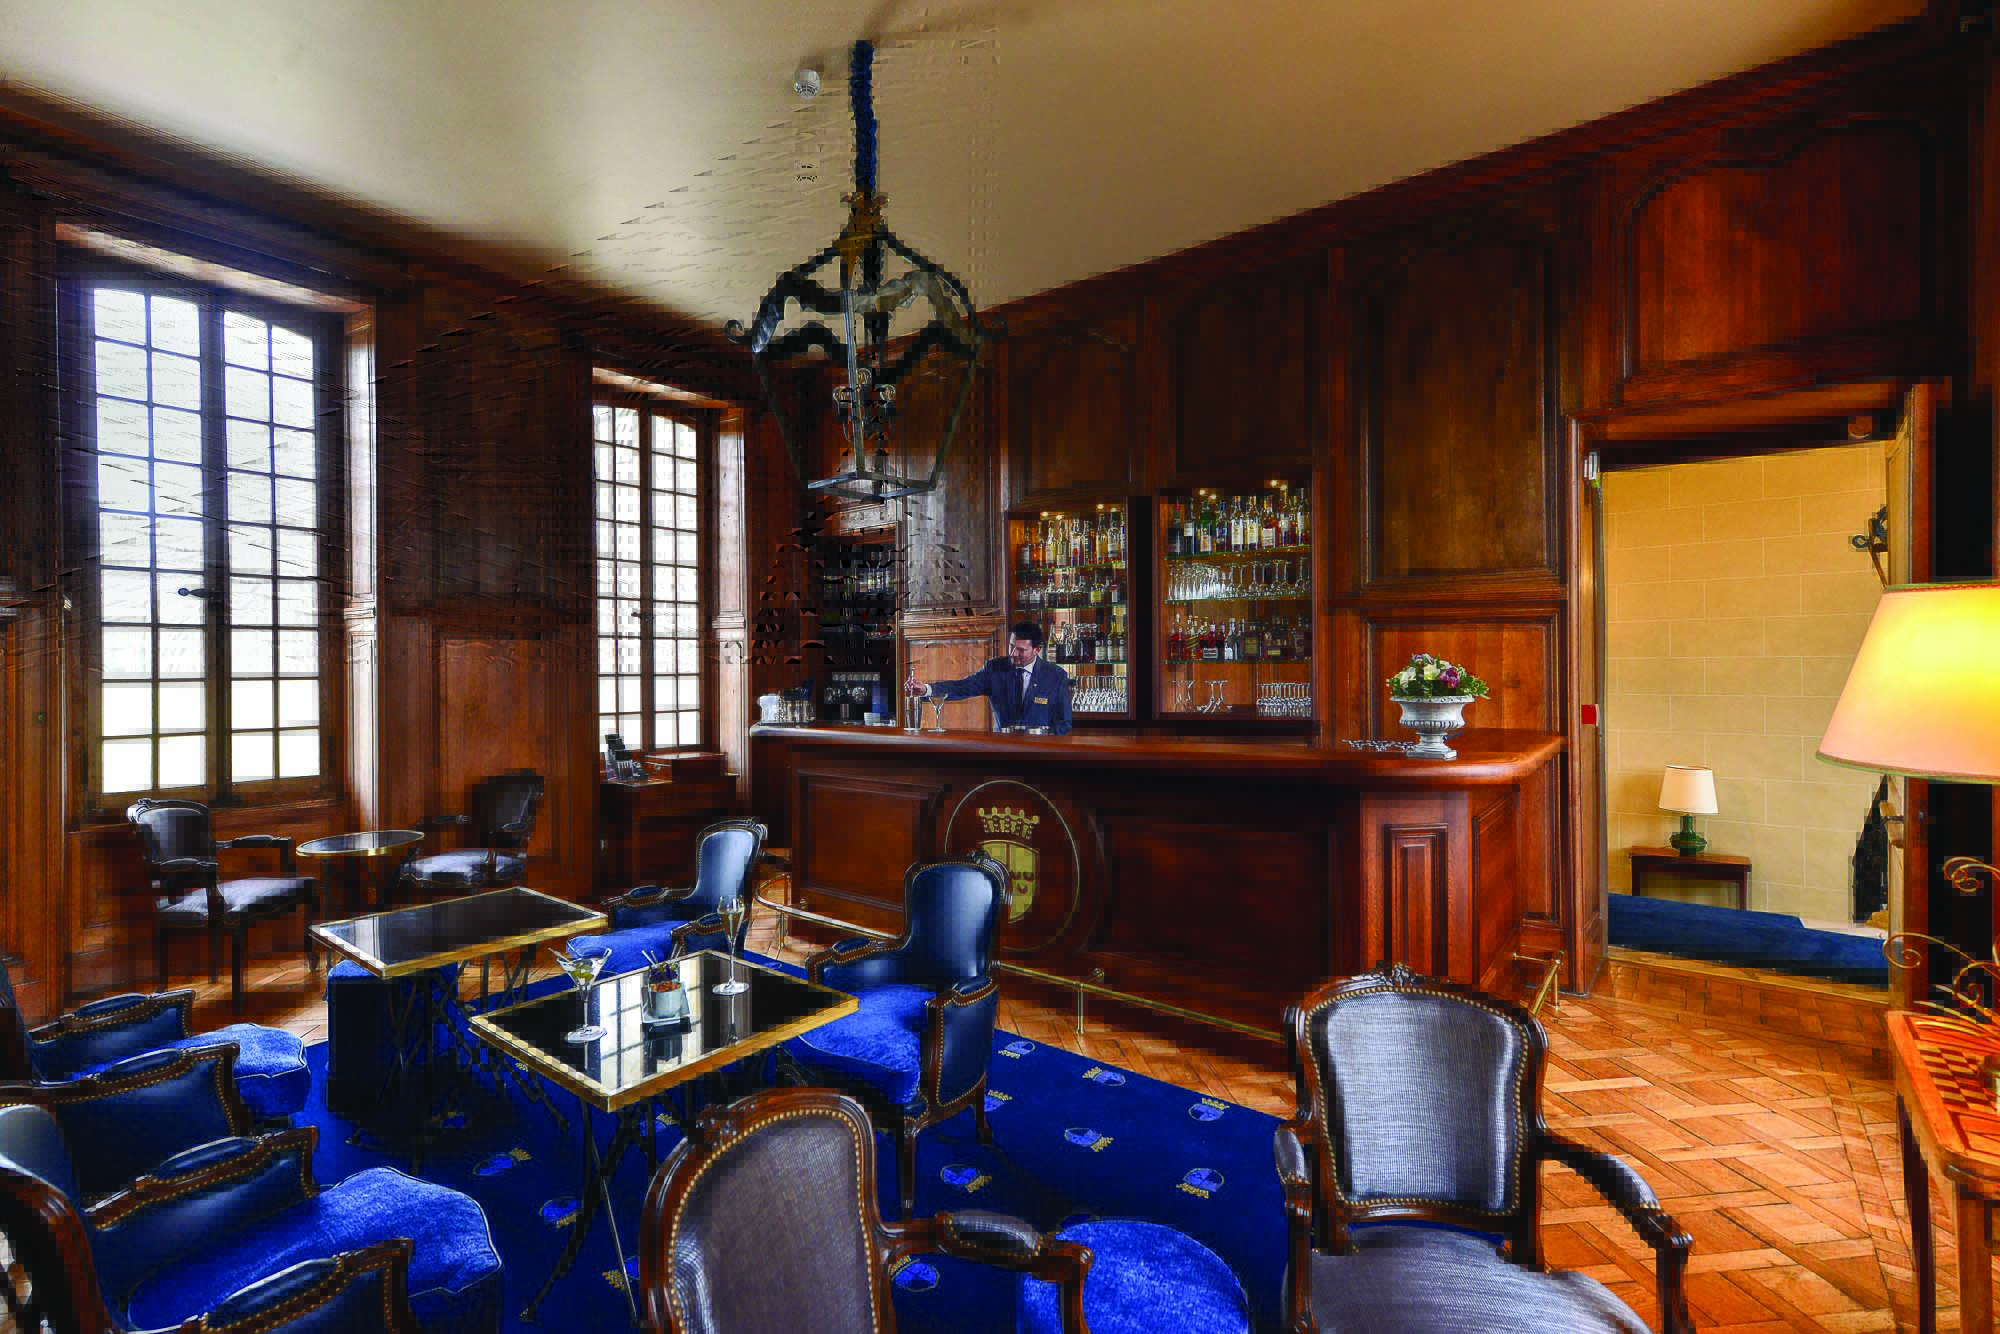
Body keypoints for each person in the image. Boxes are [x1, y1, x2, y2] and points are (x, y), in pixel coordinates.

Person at [905, 622, 1073, 735]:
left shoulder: (1056, 676)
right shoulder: (996, 668)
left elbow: (1064, 724)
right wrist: (927, 689)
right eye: (1011, 647)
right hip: (1002, 753)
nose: (1013, 654)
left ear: (1037, 650)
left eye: (1020, 650)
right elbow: (962, 687)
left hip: (1041, 756)